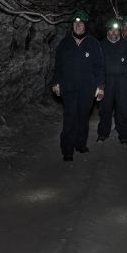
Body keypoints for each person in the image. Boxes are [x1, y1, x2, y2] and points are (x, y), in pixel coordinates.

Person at [51, 9, 105, 161]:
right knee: (69, 119)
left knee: (82, 118)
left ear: (85, 26)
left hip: (87, 89)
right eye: (75, 23)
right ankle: (67, 150)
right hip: (68, 88)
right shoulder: (64, 43)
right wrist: (55, 82)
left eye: (81, 23)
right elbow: (58, 66)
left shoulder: (93, 44)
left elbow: (100, 67)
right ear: (72, 26)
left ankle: (80, 144)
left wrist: (101, 87)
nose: (78, 26)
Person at [97, 17, 127, 144]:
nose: (113, 33)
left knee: (124, 108)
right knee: (105, 108)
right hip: (107, 80)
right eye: (111, 31)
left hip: (123, 80)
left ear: (119, 31)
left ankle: (124, 135)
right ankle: (103, 133)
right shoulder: (101, 45)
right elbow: (97, 65)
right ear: (107, 32)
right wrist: (98, 84)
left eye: (116, 31)